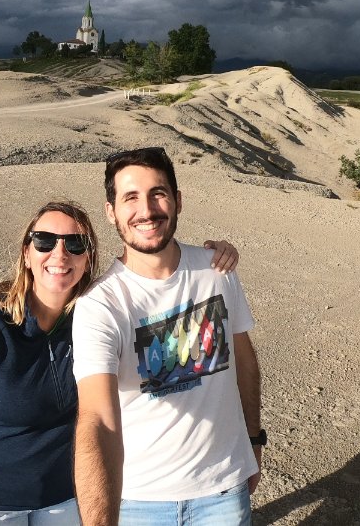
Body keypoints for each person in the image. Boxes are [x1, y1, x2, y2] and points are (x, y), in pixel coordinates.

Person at [0, 199, 239, 524]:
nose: (60, 254)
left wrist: (210, 261)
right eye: (44, 241)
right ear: (26, 253)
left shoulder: (97, 318)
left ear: (87, 259)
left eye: (75, 244)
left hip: (70, 498)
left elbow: (159, 300)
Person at [73, 147, 263, 526]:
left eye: (158, 193)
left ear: (177, 201)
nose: (146, 210)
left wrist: (254, 442)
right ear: (111, 211)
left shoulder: (217, 271)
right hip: (138, 500)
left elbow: (245, 363)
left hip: (222, 491)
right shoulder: (100, 304)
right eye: (130, 197)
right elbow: (96, 417)